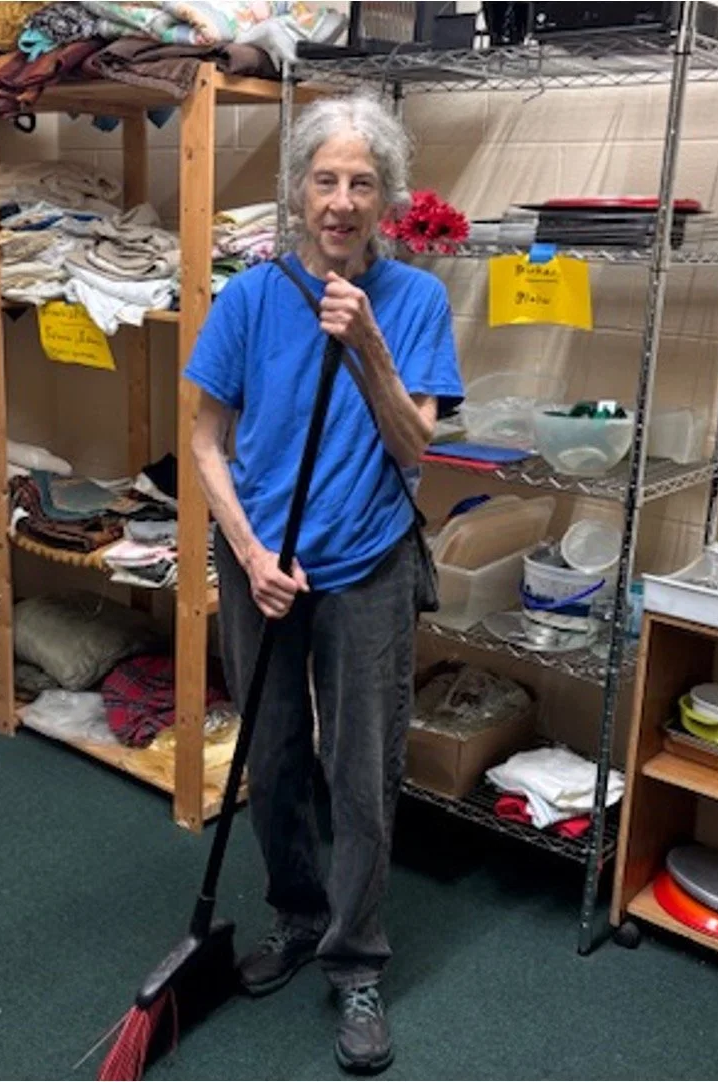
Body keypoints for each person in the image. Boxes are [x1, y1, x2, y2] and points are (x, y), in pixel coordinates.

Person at [183, 91, 463, 1075]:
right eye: (326, 179)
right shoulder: (250, 298)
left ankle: (355, 959)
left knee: (361, 767)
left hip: (369, 559)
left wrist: (369, 344)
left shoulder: (414, 301)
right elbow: (205, 441)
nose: (342, 200)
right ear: (298, 190)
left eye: (363, 182)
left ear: (387, 197)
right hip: (262, 561)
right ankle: (299, 913)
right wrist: (249, 551)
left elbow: (415, 444)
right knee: (273, 752)